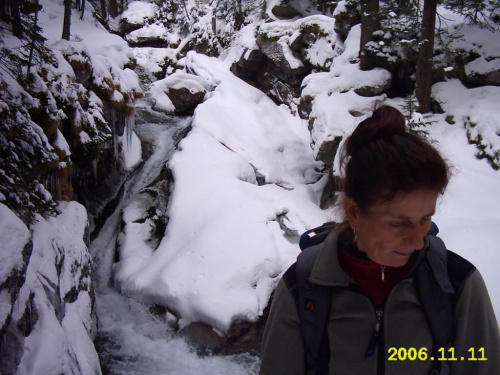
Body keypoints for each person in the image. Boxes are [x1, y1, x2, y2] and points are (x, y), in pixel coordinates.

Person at [259, 105, 500, 375]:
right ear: (354, 212)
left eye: (425, 219)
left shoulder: (458, 285)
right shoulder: (303, 288)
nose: (418, 242)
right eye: (399, 224)